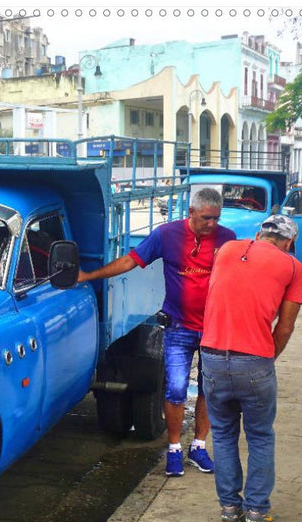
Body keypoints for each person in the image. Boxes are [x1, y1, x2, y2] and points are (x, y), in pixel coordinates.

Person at [78, 187, 236, 477]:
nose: (211, 224)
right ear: (191, 213)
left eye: (216, 218)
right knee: (176, 389)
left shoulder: (227, 239)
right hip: (178, 327)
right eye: (205, 218)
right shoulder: (166, 235)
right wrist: (89, 275)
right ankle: (174, 449)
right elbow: (130, 261)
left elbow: (240, 279)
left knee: (210, 390)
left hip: (214, 329)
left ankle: (199, 447)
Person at [200, 214, 302, 522]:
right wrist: (267, 356)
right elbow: (285, 326)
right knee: (259, 436)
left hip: (213, 357)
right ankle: (257, 513)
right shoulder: (292, 267)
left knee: (223, 434)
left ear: (260, 233)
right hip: (255, 361)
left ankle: (230, 510)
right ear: (289, 242)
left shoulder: (227, 250)